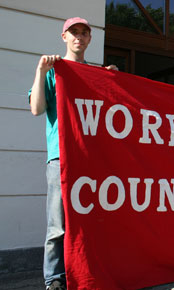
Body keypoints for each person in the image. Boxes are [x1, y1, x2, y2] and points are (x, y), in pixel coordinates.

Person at [29, 17, 117, 290]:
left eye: (84, 33)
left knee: (93, 221)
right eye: (74, 32)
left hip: (92, 157)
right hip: (61, 157)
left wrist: (114, 80)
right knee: (58, 225)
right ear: (64, 37)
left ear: (90, 39)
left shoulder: (97, 73)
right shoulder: (54, 71)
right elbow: (36, 109)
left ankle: (88, 272)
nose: (79, 37)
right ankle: (54, 279)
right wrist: (40, 71)